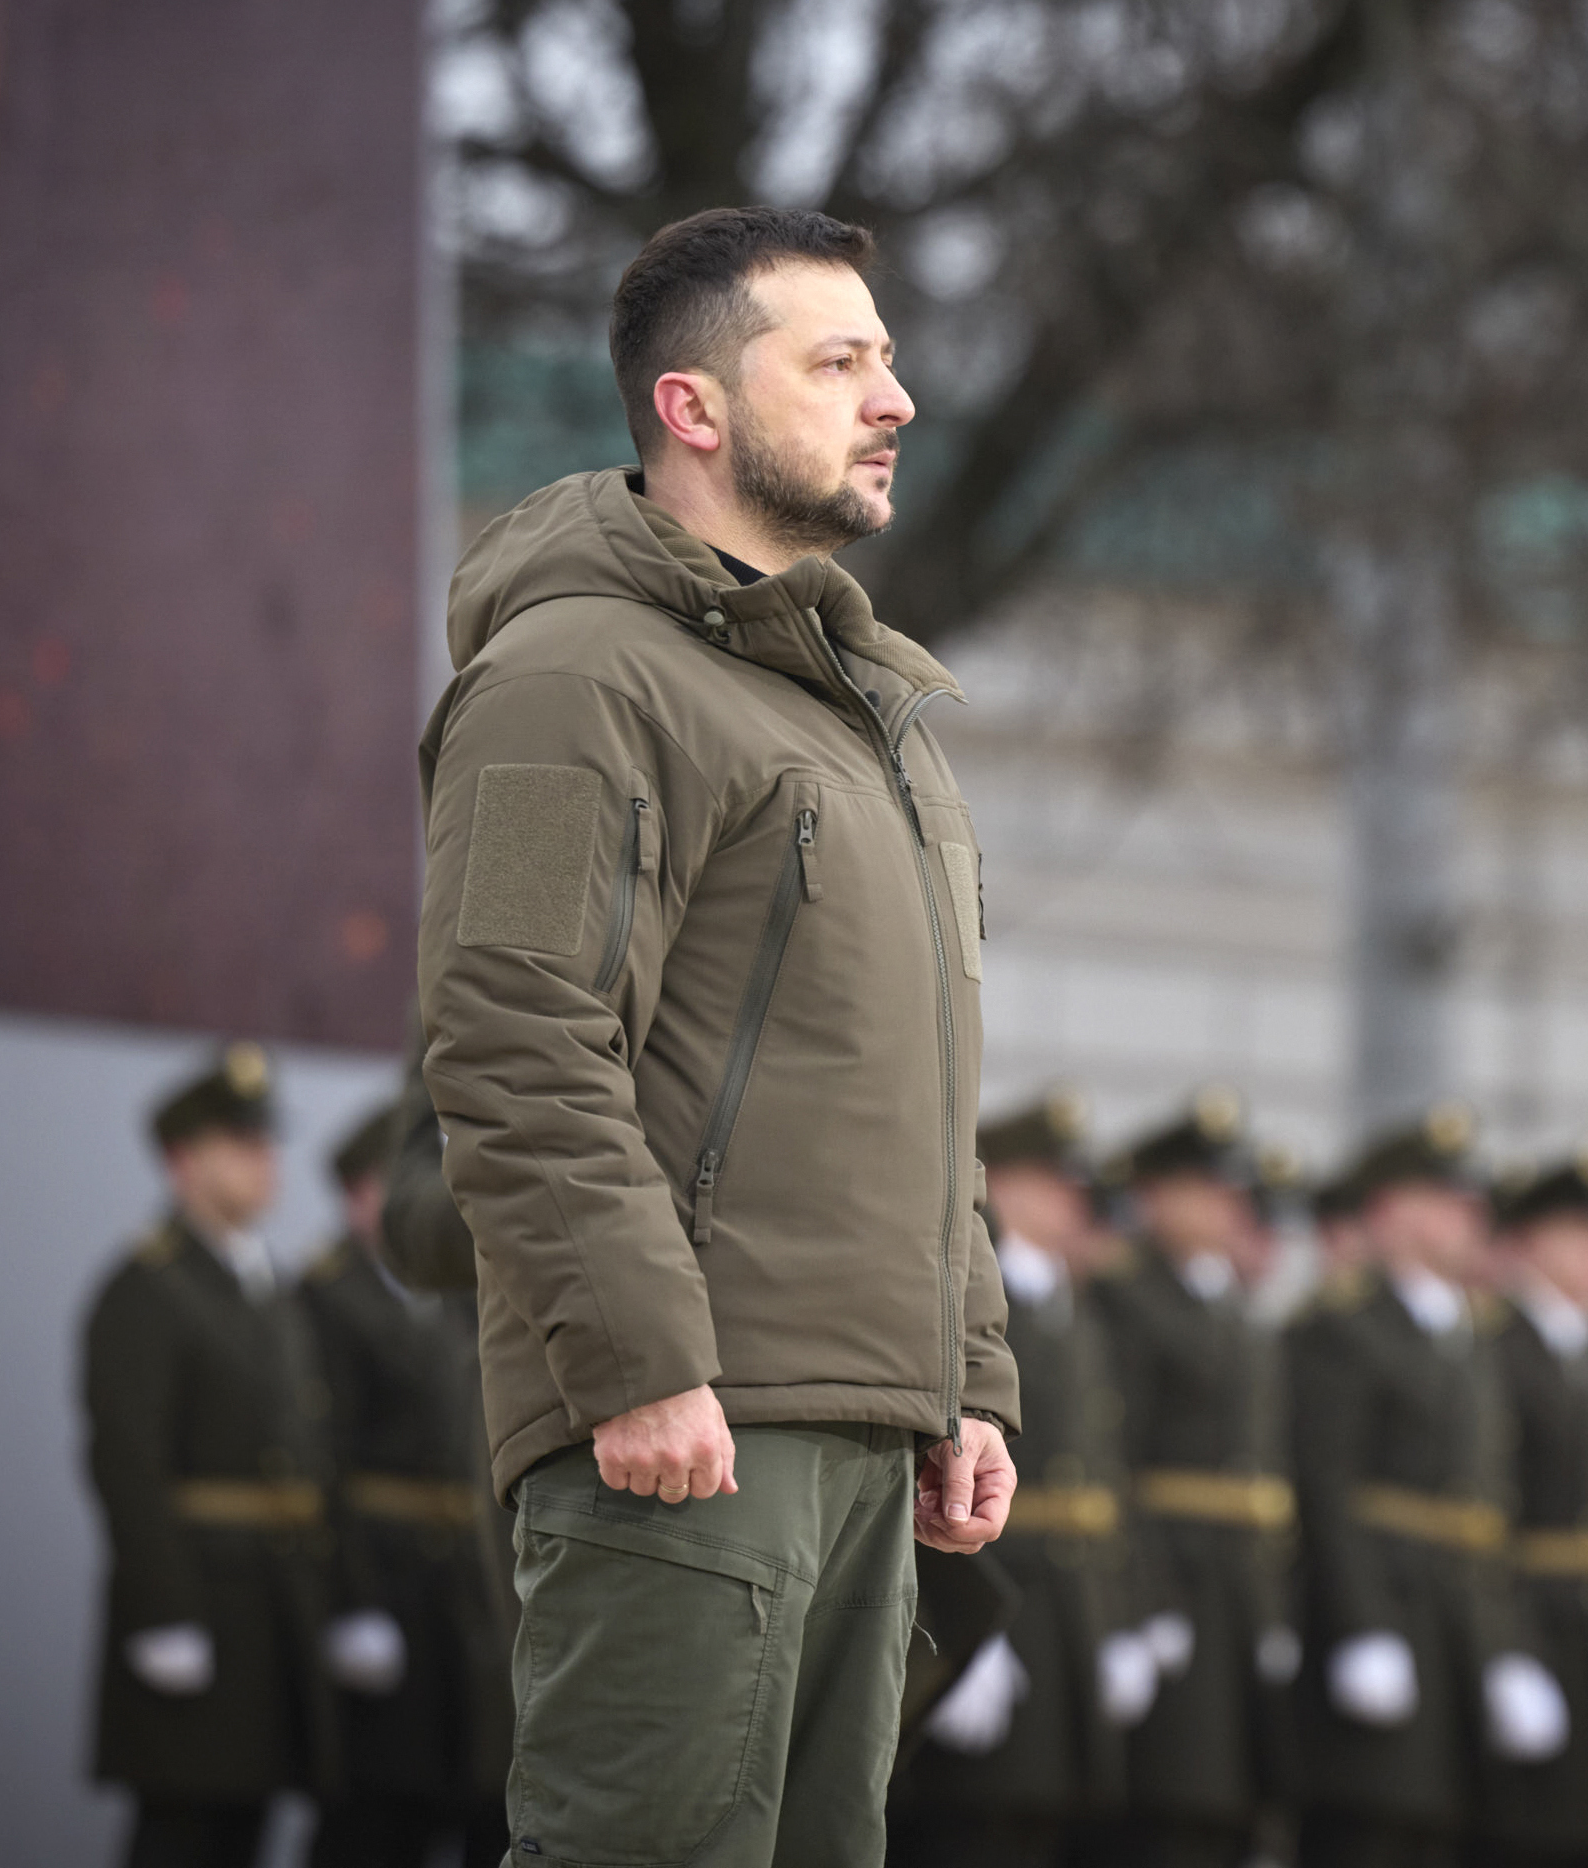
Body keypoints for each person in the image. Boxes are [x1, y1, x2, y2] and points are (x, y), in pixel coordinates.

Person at [415, 204, 1019, 1868]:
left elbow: (922, 1092)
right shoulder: (574, 678)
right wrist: (633, 1354)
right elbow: (514, 1034)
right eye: (838, 363)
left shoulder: (862, 720)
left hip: (855, 1426)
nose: (891, 398)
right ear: (693, 408)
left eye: (888, 360)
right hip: (684, 1425)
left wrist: (964, 1373)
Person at [1287, 1106, 1564, 1868]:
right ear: (1388, 1212)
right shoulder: (1345, 1326)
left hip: (1460, 1628)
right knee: (1372, 1832)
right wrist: (1361, 1626)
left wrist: (1509, 1648)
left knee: (1443, 1833)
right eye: (1445, 1200)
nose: (1469, 1218)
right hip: (1390, 1619)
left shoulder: (1467, 1333)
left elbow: (1489, 1508)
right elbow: (1327, 1489)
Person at [81, 1046, 334, 1868]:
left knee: (243, 1834)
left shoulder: (269, 1290)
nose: (266, 1163)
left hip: (268, 1615)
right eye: (242, 1144)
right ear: (182, 1159)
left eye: (267, 1143)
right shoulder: (146, 1289)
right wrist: (165, 1614)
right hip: (198, 1606)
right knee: (182, 1839)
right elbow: (127, 1464)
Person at [893, 1092, 1155, 1867]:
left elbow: (1107, 1470)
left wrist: (1123, 1614)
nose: (1079, 1208)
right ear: (1002, 1184)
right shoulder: (969, 1290)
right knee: (967, 1830)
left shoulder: (1070, 1302)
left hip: (1066, 1608)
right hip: (991, 1592)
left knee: (1044, 1829)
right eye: (1060, 1185)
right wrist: (944, 1627)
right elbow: (926, 1463)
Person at [294, 1104, 512, 1868]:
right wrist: (350, 1602)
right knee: (380, 1818)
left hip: (461, 1595)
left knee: (484, 1802)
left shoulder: (459, 1296)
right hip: (386, 1585)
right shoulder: (324, 1298)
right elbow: (319, 1463)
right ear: (360, 1195)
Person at [1089, 1089, 1302, 1868]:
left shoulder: (1233, 1307)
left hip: (1236, 1591)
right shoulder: (1122, 1299)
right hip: (1171, 1581)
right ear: (1151, 1197)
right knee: (1168, 1806)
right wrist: (1141, 1601)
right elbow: (1116, 1461)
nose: (1225, 1208)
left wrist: (1274, 1606)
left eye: (1229, 1192)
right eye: (1204, 1190)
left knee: (1236, 1812)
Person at [1477, 1152, 1588, 1868]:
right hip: (1538, 1627)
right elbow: (1487, 1515)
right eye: (1583, 1234)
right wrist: (1505, 1652)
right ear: (1529, 1244)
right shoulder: (1496, 1348)